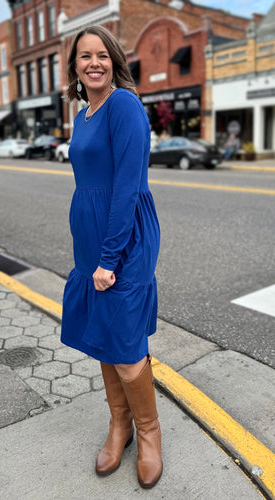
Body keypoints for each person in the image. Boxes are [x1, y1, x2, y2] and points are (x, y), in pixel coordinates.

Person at [60, 25, 162, 489]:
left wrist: (108, 257)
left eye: (101, 54)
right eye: (85, 56)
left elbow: (126, 188)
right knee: (103, 337)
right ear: (75, 66)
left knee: (124, 344)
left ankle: (149, 433)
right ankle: (118, 425)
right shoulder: (83, 112)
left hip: (123, 240)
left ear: (114, 59)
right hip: (90, 240)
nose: (93, 63)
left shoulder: (123, 104)